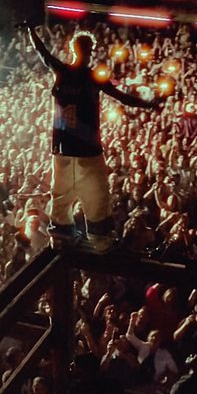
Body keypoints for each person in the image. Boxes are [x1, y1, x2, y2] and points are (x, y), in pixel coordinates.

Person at [23, 23, 155, 251]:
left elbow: (43, 53)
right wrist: (148, 105)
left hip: (66, 149)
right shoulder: (88, 77)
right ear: (86, 50)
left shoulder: (65, 72)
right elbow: (123, 98)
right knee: (95, 200)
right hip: (83, 150)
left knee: (66, 199)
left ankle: (67, 238)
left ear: (76, 49)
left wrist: (30, 32)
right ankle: (96, 242)